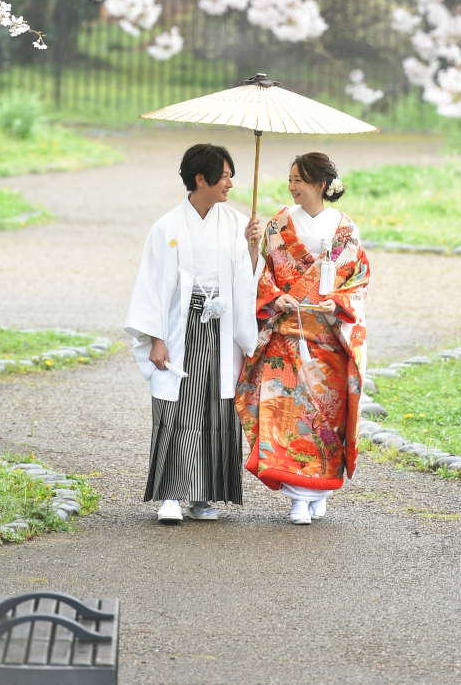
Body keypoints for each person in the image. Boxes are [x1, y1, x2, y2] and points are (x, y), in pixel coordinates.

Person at [124, 143, 262, 524]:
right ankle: (171, 494)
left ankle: (204, 495)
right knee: (176, 405)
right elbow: (150, 284)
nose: (231, 183)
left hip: (222, 327)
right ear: (201, 178)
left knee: (217, 408)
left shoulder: (236, 223)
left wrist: (253, 249)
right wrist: (155, 337)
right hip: (178, 326)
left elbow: (248, 279)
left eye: (232, 175)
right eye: (225, 175)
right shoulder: (166, 227)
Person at [235, 151, 369, 525]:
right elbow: (262, 273)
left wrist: (337, 303)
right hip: (286, 338)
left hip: (327, 339)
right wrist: (274, 293)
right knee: (286, 418)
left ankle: (320, 490)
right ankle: (297, 500)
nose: (292, 186)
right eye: (290, 179)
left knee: (325, 422)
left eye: (298, 179)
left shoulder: (346, 229)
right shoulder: (278, 224)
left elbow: (358, 281)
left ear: (320, 185)